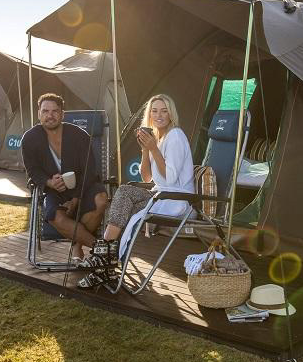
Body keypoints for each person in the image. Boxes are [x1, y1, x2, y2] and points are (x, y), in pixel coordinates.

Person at [78, 94, 194, 288]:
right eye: (154, 111)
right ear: (149, 115)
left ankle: (101, 259)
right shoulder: (159, 138)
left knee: (124, 192)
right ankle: (105, 268)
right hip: (161, 195)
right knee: (124, 204)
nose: (159, 115)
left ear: (171, 114)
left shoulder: (175, 136)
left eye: (164, 111)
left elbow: (171, 179)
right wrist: (146, 150)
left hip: (176, 199)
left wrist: (154, 149)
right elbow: (147, 178)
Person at [21, 93, 107, 261]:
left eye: (55, 111)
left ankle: (77, 245)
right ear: (39, 113)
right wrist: (49, 182)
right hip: (54, 190)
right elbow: (33, 170)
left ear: (62, 114)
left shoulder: (79, 135)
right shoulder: (30, 139)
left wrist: (76, 198)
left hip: (83, 185)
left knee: (102, 199)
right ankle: (101, 248)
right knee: (55, 216)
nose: (50, 115)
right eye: (45, 111)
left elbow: (89, 169)